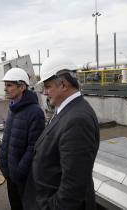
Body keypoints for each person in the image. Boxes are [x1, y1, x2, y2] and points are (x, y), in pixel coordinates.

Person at [23, 55, 100, 210]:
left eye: (47, 86)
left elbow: (73, 186)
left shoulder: (77, 120)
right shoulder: (67, 110)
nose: (44, 92)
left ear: (63, 84)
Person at [0, 68, 45, 210]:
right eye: (5, 85)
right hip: (10, 174)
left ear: (22, 87)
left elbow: (33, 147)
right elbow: (7, 138)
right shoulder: (12, 107)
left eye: (9, 85)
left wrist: (18, 172)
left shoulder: (35, 112)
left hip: (22, 178)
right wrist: (2, 160)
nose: (5, 89)